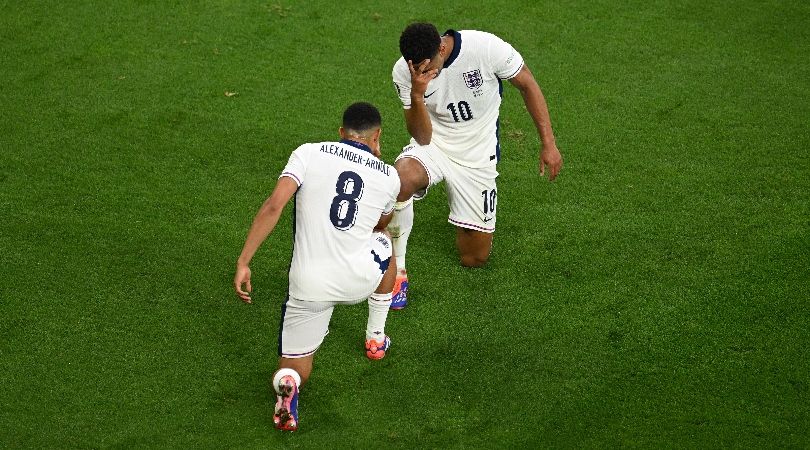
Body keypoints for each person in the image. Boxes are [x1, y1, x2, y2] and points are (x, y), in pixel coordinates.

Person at [233, 102, 400, 431]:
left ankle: (289, 384)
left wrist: (244, 260)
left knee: (295, 364)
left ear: (341, 133)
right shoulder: (389, 175)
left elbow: (274, 205)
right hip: (359, 277)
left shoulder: (308, 153)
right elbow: (381, 222)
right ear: (377, 136)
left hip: (309, 285)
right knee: (385, 243)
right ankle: (376, 338)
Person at [387, 22, 563, 309]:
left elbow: (527, 83)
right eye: (416, 69)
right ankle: (397, 270)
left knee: (474, 258)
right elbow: (422, 136)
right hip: (434, 144)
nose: (423, 74)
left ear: (441, 49)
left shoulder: (486, 48)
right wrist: (418, 94)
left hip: (477, 156)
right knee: (400, 180)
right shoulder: (405, 72)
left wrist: (548, 142)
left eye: (428, 68)